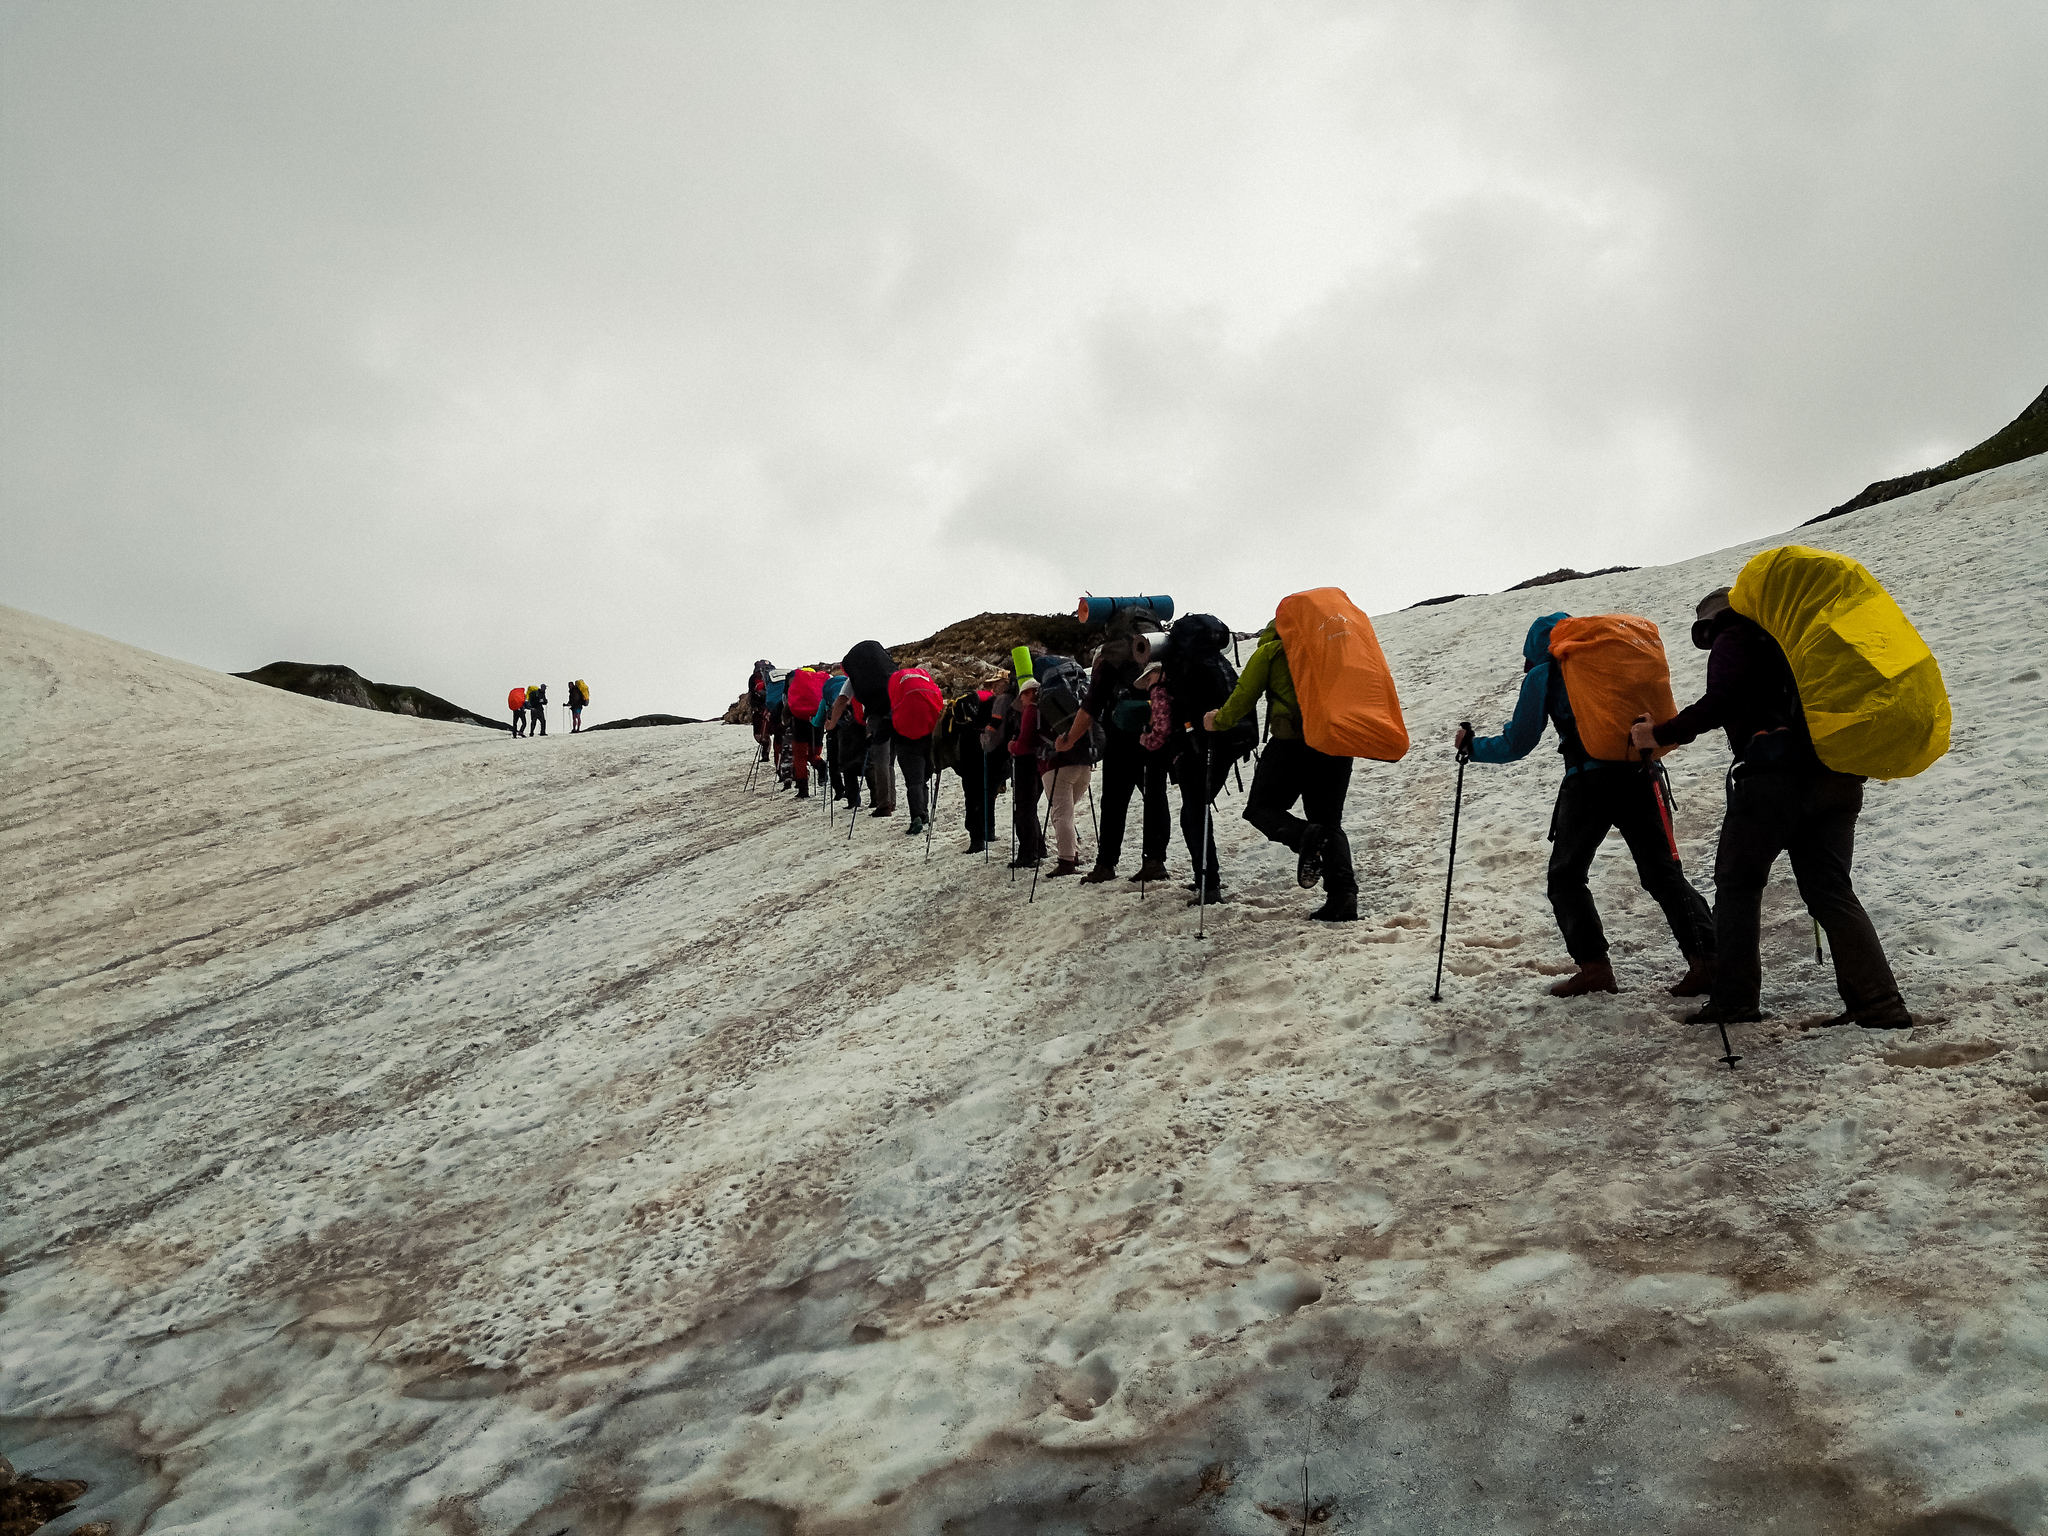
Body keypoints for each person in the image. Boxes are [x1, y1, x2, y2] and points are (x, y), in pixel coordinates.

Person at [1630, 587, 1912, 1030]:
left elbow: (1721, 700)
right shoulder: (1800, 642)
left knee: (1738, 885)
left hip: (1775, 781)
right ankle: (1879, 1004)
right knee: (1831, 892)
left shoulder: (1735, 637)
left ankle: (1736, 1001)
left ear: (1712, 624)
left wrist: (1661, 733)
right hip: (1837, 778)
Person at [1455, 613, 1715, 998]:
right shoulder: (1606, 662)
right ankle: (1708, 960)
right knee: (1662, 872)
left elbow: (1519, 742)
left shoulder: (1547, 673)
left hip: (1589, 781)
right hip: (1643, 773)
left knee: (1567, 875)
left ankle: (1594, 968)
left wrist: (1471, 747)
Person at [1206, 617, 1353, 919]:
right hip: (1336, 743)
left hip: (1292, 745)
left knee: (1260, 808)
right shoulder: (1336, 647)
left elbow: (1243, 698)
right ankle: (1343, 899)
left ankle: (1304, 837)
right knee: (1328, 821)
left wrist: (1217, 720)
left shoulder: (1271, 651)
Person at [1056, 629, 1171, 885]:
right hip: (1153, 739)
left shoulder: (1108, 666)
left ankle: (1106, 865)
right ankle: (1154, 860)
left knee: (1114, 804)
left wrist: (1069, 740)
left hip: (1120, 744)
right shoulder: (1154, 656)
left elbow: (1089, 709)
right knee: (1155, 797)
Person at [1164, 616, 1245, 906]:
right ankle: (1205, 878)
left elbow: (1183, 707)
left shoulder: (1187, 667)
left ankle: (1208, 883)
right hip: (1226, 743)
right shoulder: (1215, 662)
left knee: (1194, 815)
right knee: (1194, 813)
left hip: (1199, 748)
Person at [1033, 655, 1101, 878]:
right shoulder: (1077, 691)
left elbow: (1038, 735)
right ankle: (1072, 853)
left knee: (1061, 814)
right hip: (1084, 761)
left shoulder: (1045, 701)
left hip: (1057, 765)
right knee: (1067, 813)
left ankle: (1066, 860)